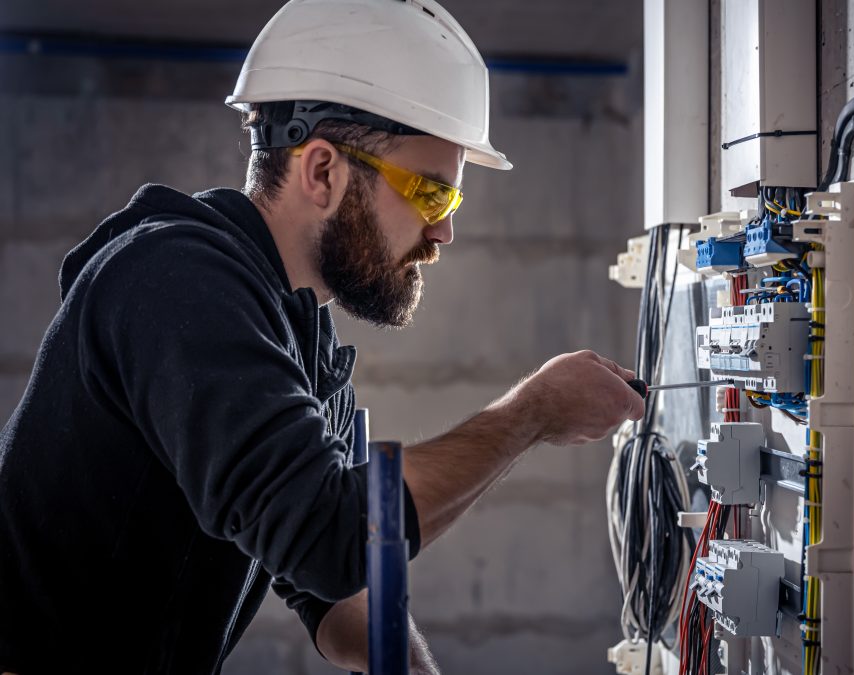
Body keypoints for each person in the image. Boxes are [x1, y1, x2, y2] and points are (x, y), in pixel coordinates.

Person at [0, 0, 645, 673]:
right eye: (430, 194)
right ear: (322, 171)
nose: (444, 231)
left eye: (451, 203)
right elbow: (329, 533)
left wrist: (412, 666)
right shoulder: (175, 283)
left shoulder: (295, 337)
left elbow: (332, 586)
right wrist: (531, 412)